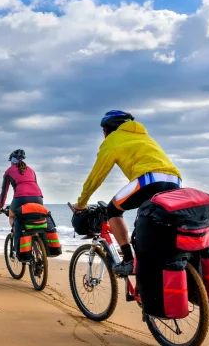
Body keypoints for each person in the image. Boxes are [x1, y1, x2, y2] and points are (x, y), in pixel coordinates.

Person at [72, 110, 182, 277]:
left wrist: (81, 203)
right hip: (175, 181)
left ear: (108, 129)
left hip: (149, 180)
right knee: (157, 222)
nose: (103, 134)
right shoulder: (145, 137)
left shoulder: (113, 140)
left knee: (113, 210)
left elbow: (96, 176)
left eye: (103, 130)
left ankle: (129, 260)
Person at [0, 149, 44, 229]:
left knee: (11, 216)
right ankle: (37, 238)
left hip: (21, 198)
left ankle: (16, 233)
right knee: (36, 220)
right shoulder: (31, 170)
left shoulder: (9, 171)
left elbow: (4, 192)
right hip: (38, 198)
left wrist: (0, 207)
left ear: (12, 160)